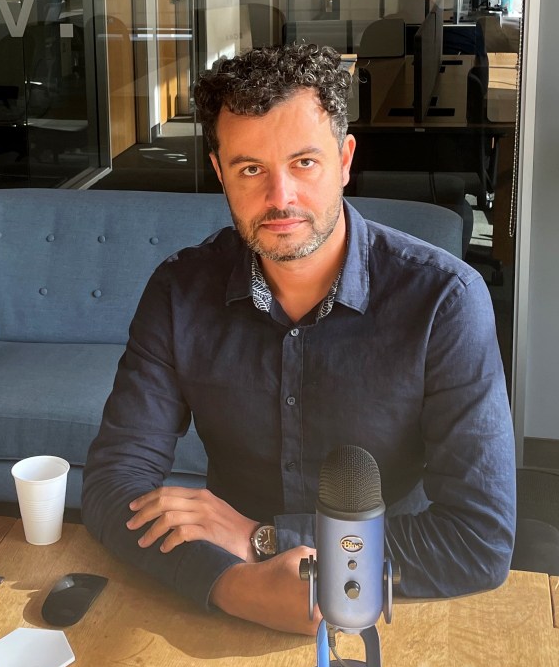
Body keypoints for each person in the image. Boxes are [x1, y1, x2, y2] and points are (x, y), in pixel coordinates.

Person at [81, 44, 516, 636]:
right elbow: (113, 487)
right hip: (219, 589)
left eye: (304, 163)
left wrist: (264, 539)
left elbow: (477, 541)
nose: (279, 196)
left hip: (390, 597)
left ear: (345, 159)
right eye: (250, 169)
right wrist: (237, 586)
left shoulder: (444, 300)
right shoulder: (180, 291)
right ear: (220, 173)